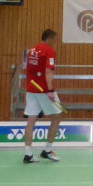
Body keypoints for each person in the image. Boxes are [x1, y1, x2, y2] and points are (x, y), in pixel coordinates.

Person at [22, 29, 61, 164]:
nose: (55, 42)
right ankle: (47, 150)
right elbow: (48, 71)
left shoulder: (32, 51)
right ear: (49, 38)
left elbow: (30, 69)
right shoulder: (49, 51)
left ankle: (28, 154)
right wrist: (50, 90)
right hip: (43, 90)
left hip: (31, 88)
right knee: (57, 117)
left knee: (31, 119)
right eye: (54, 40)